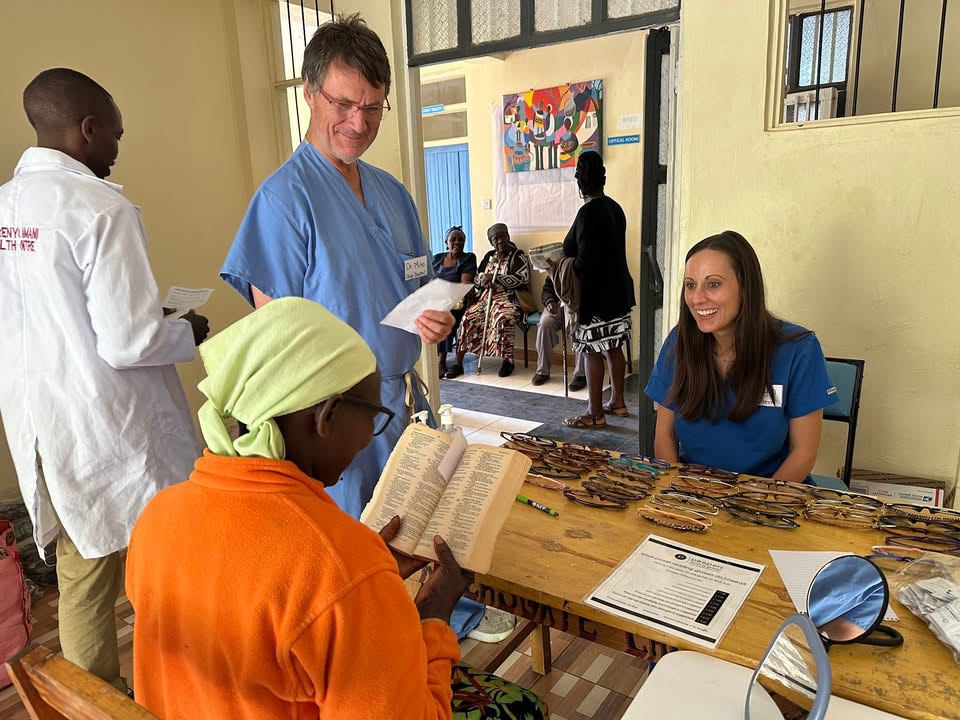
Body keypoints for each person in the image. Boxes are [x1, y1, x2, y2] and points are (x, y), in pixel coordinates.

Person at [126, 298, 547, 719]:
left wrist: (367, 584)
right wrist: (433, 613)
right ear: (326, 417)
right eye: (374, 415)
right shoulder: (339, 565)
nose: (369, 437)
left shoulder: (159, 515)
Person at [219, 14, 489, 640]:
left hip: (397, 402)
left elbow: (416, 285)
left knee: (406, 541)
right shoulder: (285, 201)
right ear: (310, 95)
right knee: (348, 568)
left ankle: (418, 641)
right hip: (331, 421)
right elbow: (277, 336)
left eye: (373, 107)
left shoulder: (393, 194)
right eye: (344, 104)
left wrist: (436, 315)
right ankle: (365, 659)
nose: (359, 123)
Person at [0, 68, 208, 690]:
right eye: (115, 134)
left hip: (43, 424)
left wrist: (144, 319)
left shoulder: (5, 207)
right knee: (162, 572)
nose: (118, 147)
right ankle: (178, 693)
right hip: (113, 427)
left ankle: (94, 704)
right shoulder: (100, 207)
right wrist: (186, 330)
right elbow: (127, 341)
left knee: (82, 578)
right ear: (87, 129)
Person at [645, 230, 835, 481]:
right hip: (693, 491)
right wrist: (676, 489)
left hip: (772, 493)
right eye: (690, 285)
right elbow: (664, 435)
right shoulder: (679, 342)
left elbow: (804, 454)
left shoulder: (799, 349)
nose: (697, 298)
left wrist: (753, 502)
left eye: (713, 284)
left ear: (745, 287)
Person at [561, 152, 635, 428]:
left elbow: (584, 261)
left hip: (595, 299)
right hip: (619, 293)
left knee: (591, 351)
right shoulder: (615, 208)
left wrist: (561, 266)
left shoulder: (587, 213)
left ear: (580, 180)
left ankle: (594, 413)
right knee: (614, 347)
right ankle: (618, 402)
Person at [449, 223, 530, 379]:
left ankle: (508, 361)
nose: (499, 241)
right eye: (495, 239)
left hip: (507, 299)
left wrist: (496, 278)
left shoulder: (517, 255)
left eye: (502, 237)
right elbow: (477, 277)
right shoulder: (489, 256)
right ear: (491, 242)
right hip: (486, 299)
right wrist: (483, 281)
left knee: (503, 318)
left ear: (508, 237)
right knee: (468, 318)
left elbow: (523, 279)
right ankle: (458, 364)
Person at [432, 226, 477, 377]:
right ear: (446, 242)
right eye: (453, 239)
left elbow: (464, 284)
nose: (457, 242)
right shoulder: (437, 258)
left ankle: (442, 362)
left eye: (461, 240)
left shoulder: (468, 258)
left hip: (459, 301)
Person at [531, 274, 586, 389]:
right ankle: (542, 371)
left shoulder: (582, 266)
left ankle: (581, 374)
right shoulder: (556, 267)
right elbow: (547, 289)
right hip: (557, 304)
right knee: (544, 324)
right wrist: (549, 301)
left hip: (578, 306)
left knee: (581, 326)